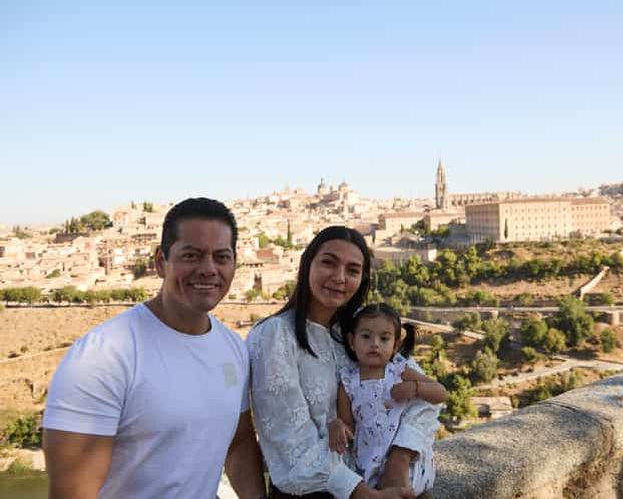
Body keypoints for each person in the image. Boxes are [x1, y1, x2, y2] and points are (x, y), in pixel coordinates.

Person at [43, 197, 266, 499]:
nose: (208, 269)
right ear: (161, 262)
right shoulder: (102, 356)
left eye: (221, 257)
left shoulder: (233, 348)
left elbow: (238, 442)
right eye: (191, 255)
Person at [246, 226, 441, 499]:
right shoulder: (274, 335)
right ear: (307, 264)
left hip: (381, 481)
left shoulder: (362, 330)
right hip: (315, 493)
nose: (339, 278)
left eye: (352, 270)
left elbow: (427, 397)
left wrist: (399, 458)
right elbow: (290, 441)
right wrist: (363, 493)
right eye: (329, 263)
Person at [328, 303, 446, 497]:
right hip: (368, 466)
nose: (375, 344)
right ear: (352, 341)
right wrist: (337, 426)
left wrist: (416, 388)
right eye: (366, 336)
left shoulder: (399, 370)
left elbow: (441, 393)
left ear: (395, 345)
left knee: (403, 490)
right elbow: (348, 427)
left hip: (409, 464)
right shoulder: (348, 382)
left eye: (384, 338)